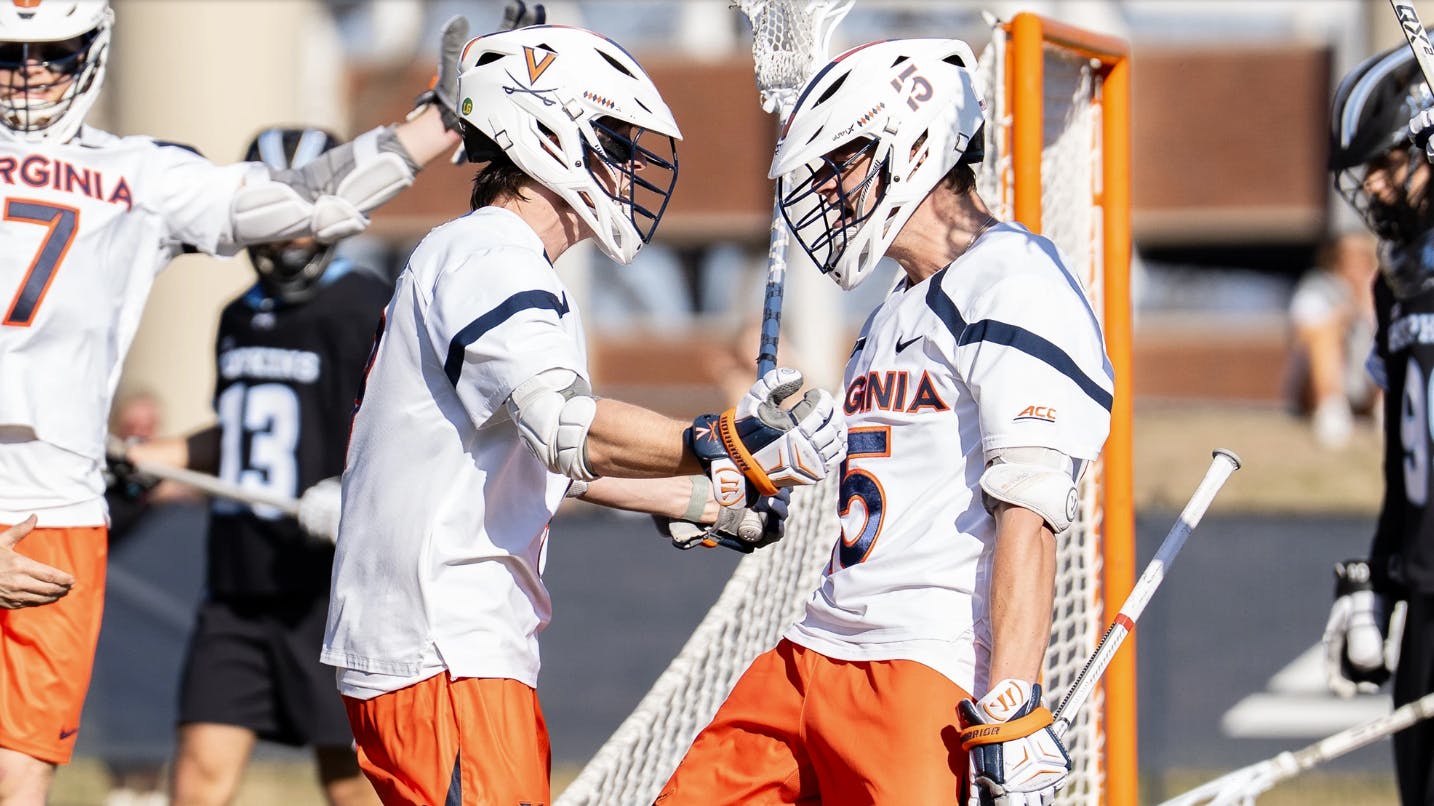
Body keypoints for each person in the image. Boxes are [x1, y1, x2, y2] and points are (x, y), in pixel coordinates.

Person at [320, 24, 846, 806]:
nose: (628, 166)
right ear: (541, 132)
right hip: (446, 646)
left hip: (445, 646)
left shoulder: (490, 259)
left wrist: (691, 496)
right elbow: (567, 428)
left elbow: (531, 464)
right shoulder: (492, 253)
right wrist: (726, 440)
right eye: (611, 140)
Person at [0, 0, 479, 801]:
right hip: (57, 507)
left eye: (49, 51)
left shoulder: (140, 174)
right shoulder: (138, 173)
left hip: (57, 509)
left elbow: (299, 205)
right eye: (10, 55)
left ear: (89, 49)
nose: (28, 76)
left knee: (20, 774)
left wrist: (436, 125)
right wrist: (432, 127)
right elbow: (308, 200)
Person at [658, 38, 1114, 805]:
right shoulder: (893, 308)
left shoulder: (1015, 281)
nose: (830, 191)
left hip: (919, 669)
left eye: (844, 162)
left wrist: (1015, 695)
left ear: (915, 145)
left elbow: (1029, 506)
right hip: (813, 647)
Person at [121, 126, 394, 806]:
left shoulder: (363, 306)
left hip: (329, 587)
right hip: (240, 583)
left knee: (353, 781)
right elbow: (244, 430)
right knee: (200, 773)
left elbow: (406, 430)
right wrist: (156, 458)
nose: (289, 233)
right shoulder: (239, 313)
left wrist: (357, 492)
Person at [1324, 38, 1434, 806]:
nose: (1374, 185)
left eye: (1388, 162)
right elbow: (1405, 462)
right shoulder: (1399, 289)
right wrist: (1379, 582)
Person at [1286, 230, 1379, 448]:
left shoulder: (1381, 289)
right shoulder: (1318, 287)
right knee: (1325, 334)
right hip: (1320, 386)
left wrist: (1370, 307)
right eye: (1348, 256)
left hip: (1368, 385)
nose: (1356, 263)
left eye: (1363, 256)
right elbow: (1303, 333)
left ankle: (1386, 413)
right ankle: (1332, 411)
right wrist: (1346, 313)